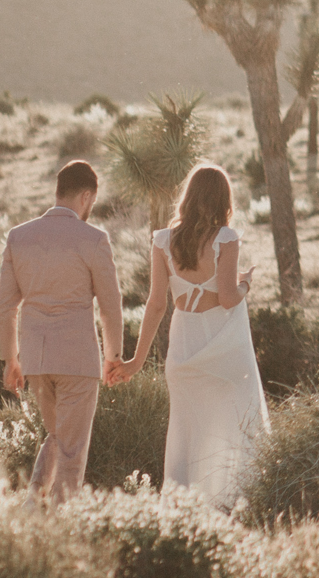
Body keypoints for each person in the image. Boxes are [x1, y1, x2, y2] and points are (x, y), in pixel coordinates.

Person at [110, 162, 267, 508]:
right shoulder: (226, 238)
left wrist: (137, 360)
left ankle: (182, 507)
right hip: (221, 348)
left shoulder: (163, 241)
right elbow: (226, 298)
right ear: (223, 199)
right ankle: (229, 504)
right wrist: (245, 283)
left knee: (186, 432)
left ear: (189, 196)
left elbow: (155, 305)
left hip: (182, 348)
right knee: (231, 424)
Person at [0, 158, 125, 502]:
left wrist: (10, 359)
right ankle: (62, 527)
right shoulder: (94, 239)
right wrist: (113, 356)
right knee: (72, 450)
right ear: (85, 196)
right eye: (91, 203)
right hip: (78, 359)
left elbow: (5, 306)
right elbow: (111, 308)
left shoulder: (18, 237)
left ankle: (33, 506)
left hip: (36, 360)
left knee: (56, 436)